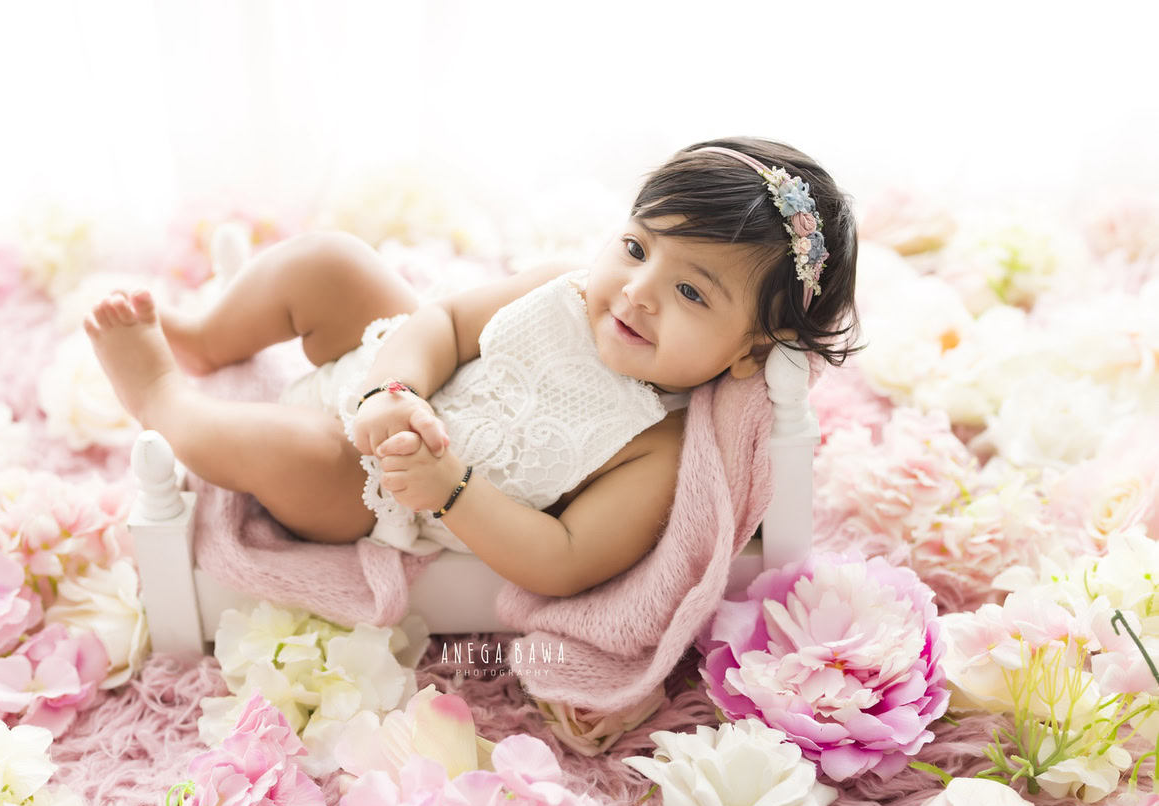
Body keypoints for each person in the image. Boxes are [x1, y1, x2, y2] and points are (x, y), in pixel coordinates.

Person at [84, 136, 861, 599]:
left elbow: (564, 561)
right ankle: (209, 336)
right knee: (333, 261)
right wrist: (394, 386)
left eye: (690, 290)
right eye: (635, 247)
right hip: (390, 379)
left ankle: (162, 397)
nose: (636, 291)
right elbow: (446, 322)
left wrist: (447, 488)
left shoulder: (653, 442)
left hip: (382, 488)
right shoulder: (565, 289)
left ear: (749, 351)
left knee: (301, 451)